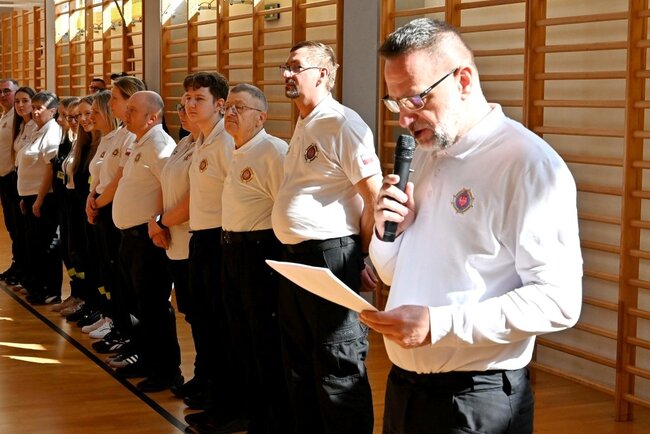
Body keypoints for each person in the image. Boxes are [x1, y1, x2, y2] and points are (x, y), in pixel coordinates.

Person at [359, 18, 583, 434]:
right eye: (395, 103)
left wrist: (439, 325)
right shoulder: (426, 153)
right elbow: (393, 274)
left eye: (415, 99)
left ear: (463, 80)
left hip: (476, 400)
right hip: (405, 388)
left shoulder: (528, 165)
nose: (404, 119)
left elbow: (559, 301)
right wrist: (389, 231)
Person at [271, 41, 382, 434]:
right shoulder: (306, 122)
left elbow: (374, 196)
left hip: (330, 257)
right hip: (295, 258)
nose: (287, 74)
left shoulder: (342, 123)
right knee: (299, 361)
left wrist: (363, 257)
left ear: (322, 73)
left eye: (296, 67)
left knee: (337, 361)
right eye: (286, 67)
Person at [220, 83, 292, 433]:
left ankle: (273, 420)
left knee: (263, 339)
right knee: (239, 335)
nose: (231, 113)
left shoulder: (272, 151)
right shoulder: (235, 148)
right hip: (231, 250)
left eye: (240, 107)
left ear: (261, 117)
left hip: (259, 253)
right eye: (229, 107)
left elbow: (286, 209)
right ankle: (251, 412)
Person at [180, 71, 247, 434]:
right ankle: (212, 394)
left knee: (222, 329)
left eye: (198, 99)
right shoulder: (202, 140)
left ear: (220, 105)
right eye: (187, 98)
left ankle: (230, 407)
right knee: (204, 322)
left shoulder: (225, 141)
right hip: (201, 239)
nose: (190, 105)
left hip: (220, 240)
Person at [112, 90, 181, 392]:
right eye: (127, 109)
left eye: (133, 110)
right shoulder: (138, 141)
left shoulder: (160, 144)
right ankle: (146, 358)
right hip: (130, 238)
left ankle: (166, 370)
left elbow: (170, 185)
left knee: (153, 306)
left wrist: (158, 222)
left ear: (152, 117)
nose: (126, 114)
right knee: (137, 304)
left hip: (148, 238)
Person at [16, 90, 62, 305]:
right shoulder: (37, 129)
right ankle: (37, 285)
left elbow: (50, 169)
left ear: (52, 111)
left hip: (43, 197)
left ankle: (50, 290)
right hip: (30, 195)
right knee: (34, 245)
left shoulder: (51, 131)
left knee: (47, 246)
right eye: (33, 108)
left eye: (39, 108)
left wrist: (39, 199)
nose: (34, 112)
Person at [0, 79, 21, 284]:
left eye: (7, 91)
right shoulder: (4, 115)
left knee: (19, 226)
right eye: (0, 91)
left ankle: (22, 268)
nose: (3, 95)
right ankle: (17, 264)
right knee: (11, 225)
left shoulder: (18, 116)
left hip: (13, 177)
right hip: (3, 180)